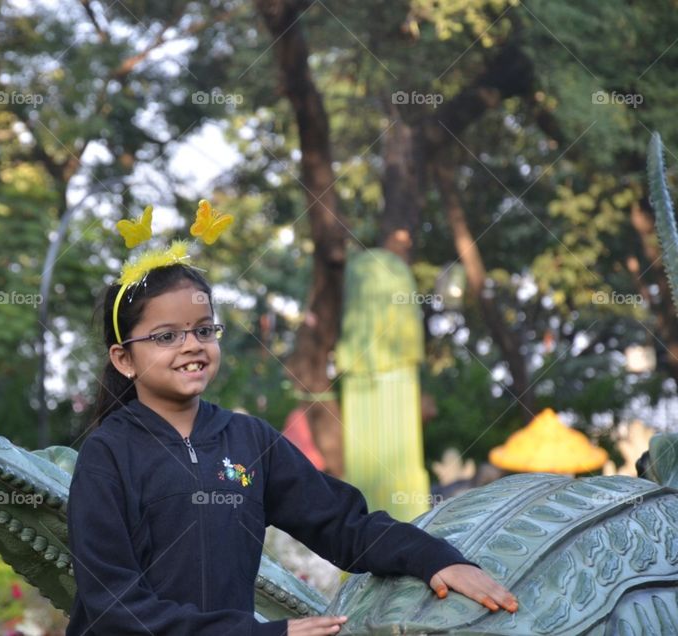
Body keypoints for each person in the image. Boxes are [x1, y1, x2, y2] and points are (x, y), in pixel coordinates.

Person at [66, 202, 518, 636]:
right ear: (124, 359)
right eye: (167, 336)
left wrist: (436, 559)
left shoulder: (247, 440)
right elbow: (114, 608)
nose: (191, 345)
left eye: (204, 330)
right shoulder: (108, 455)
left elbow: (344, 524)